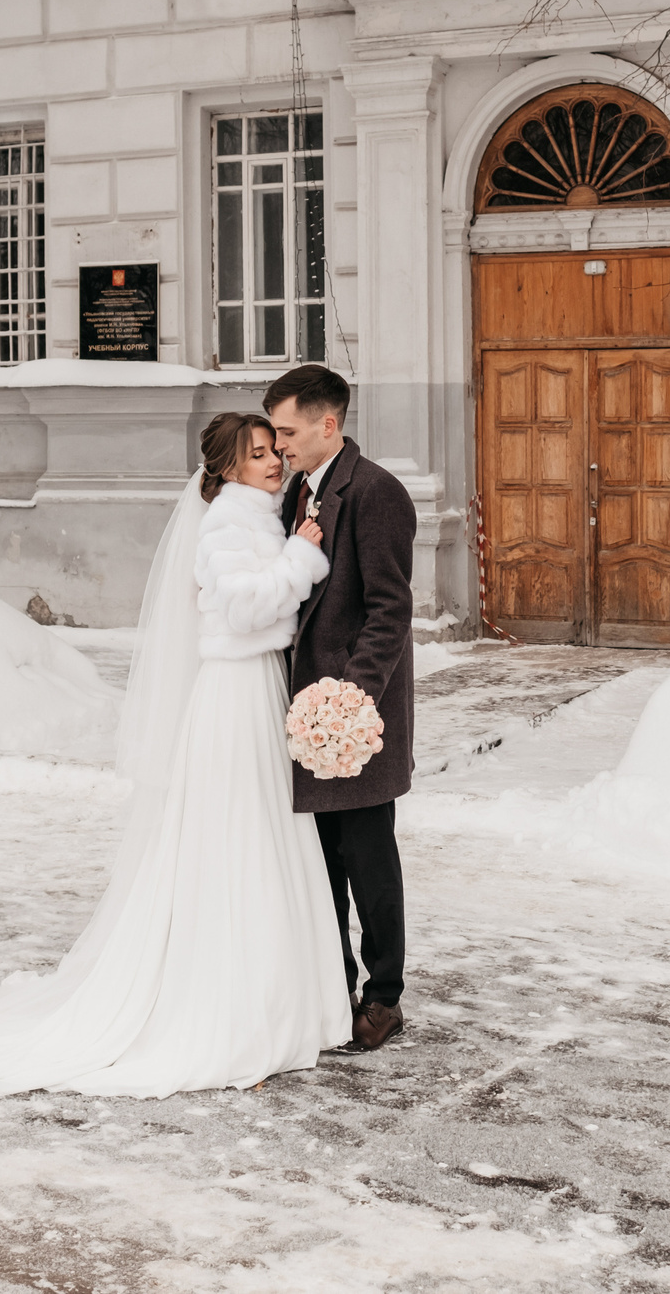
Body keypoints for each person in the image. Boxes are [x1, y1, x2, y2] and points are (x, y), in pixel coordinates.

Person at [0, 413, 348, 1096]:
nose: (274, 462)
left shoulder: (257, 517)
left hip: (256, 685)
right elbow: (243, 611)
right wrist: (300, 557)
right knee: (239, 831)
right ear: (228, 469)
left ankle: (281, 990)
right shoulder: (226, 525)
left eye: (274, 451)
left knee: (266, 827)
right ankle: (233, 998)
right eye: (259, 455)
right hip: (234, 692)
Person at [265, 364, 416, 1054]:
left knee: (368, 861)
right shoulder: (298, 491)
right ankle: (335, 988)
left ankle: (384, 997)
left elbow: (389, 609)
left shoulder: (377, 491)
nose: (280, 445)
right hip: (305, 716)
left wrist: (351, 701)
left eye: (288, 431)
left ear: (329, 424)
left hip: (355, 719)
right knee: (319, 863)